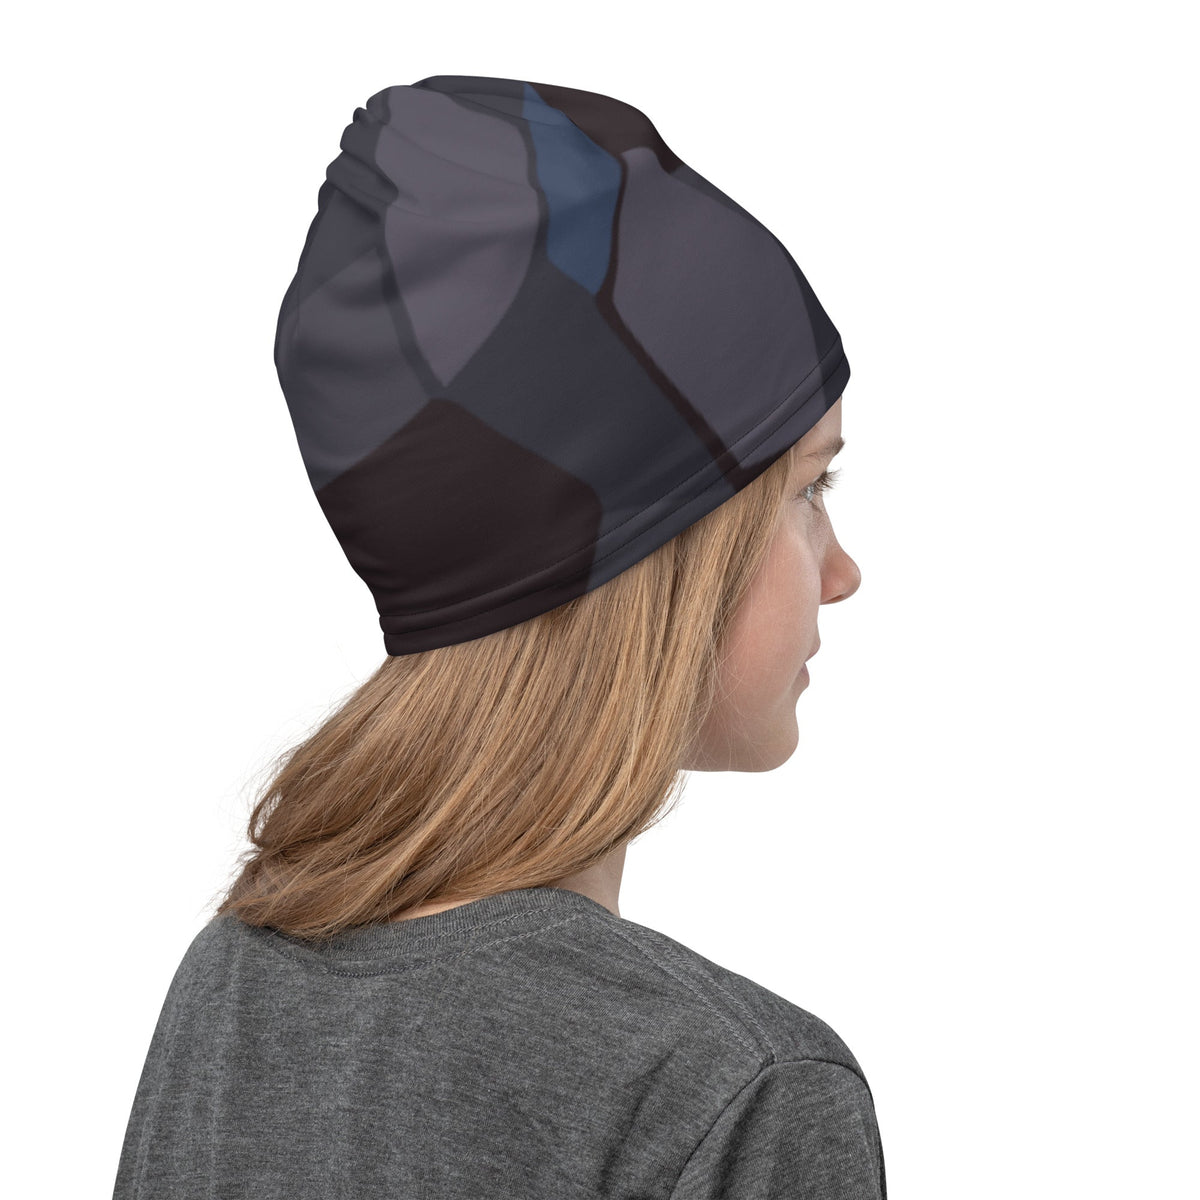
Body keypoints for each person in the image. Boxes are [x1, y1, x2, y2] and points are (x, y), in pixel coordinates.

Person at [113, 75, 883, 1198]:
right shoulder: (735, 1090)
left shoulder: (237, 984)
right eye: (811, 488)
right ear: (662, 550)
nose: (844, 572)